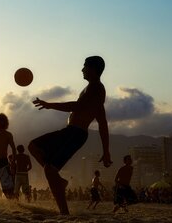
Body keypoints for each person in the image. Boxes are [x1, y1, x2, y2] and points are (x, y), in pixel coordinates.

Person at [29, 56, 112, 215]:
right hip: (70, 131)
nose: (82, 70)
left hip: (76, 133)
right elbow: (101, 120)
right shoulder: (90, 89)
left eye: (84, 66)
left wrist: (49, 105)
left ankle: (64, 212)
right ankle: (58, 180)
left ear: (93, 69)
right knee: (33, 147)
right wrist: (106, 150)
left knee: (49, 170)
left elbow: (83, 110)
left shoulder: (97, 89)